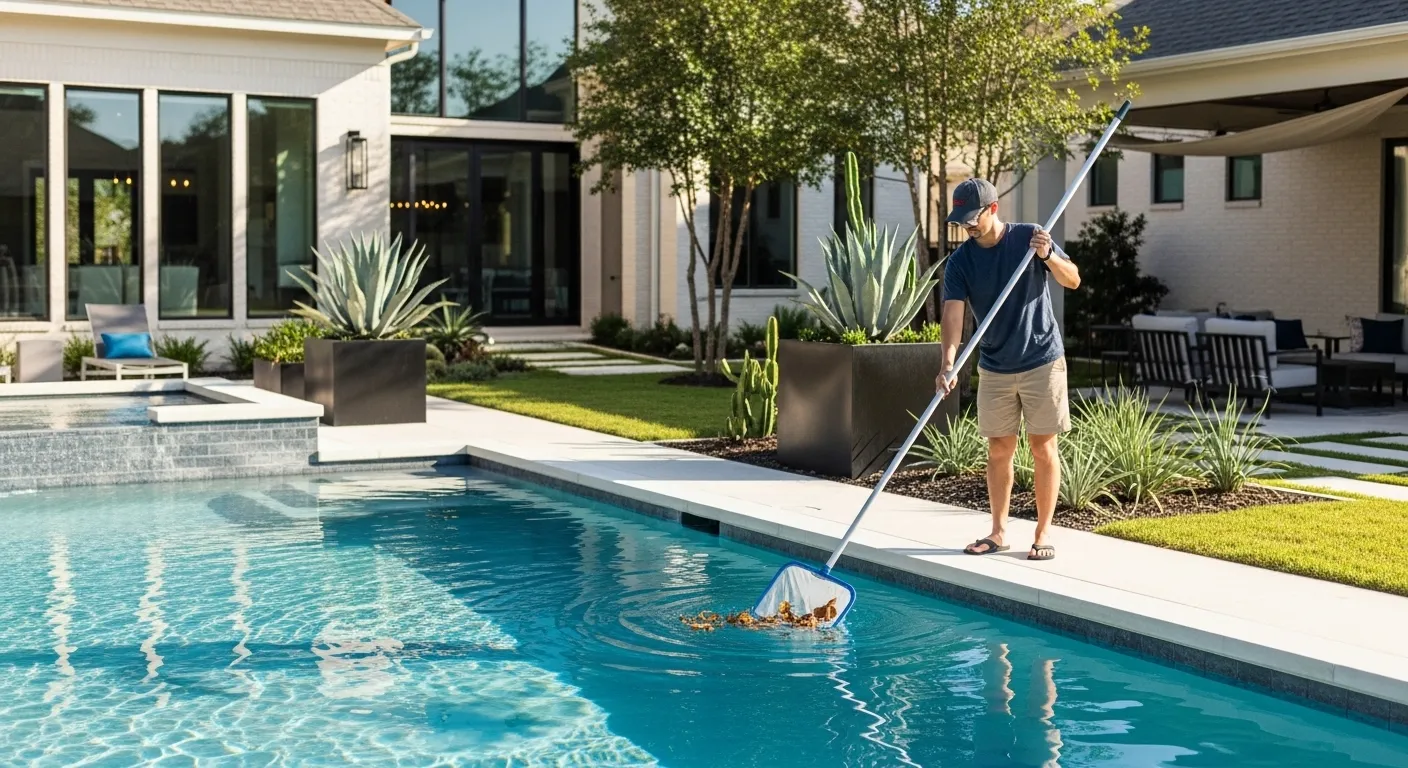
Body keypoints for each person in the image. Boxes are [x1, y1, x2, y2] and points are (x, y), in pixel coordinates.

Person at [934, 177, 1080, 561]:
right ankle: (998, 533)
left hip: (1041, 360)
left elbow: (1074, 279)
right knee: (999, 449)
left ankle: (1043, 532)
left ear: (993, 209)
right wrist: (948, 363)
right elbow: (953, 315)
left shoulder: (1030, 238)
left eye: (973, 217)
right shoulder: (961, 261)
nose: (967, 225)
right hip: (995, 365)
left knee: (1043, 446)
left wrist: (1048, 255)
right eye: (961, 218)